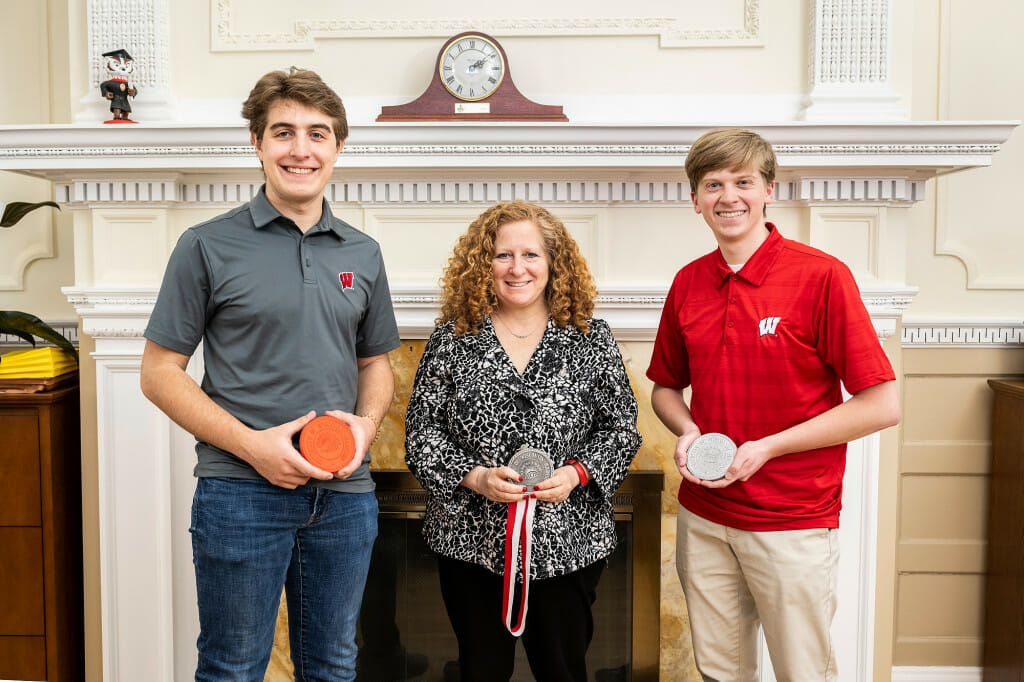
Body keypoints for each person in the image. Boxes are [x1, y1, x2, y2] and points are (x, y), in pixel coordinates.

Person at [140, 67, 400, 681]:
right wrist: (254, 449)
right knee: (233, 669)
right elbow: (159, 373)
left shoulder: (363, 253)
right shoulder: (206, 246)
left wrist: (365, 429)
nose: (301, 149)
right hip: (239, 493)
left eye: (318, 133)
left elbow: (376, 365)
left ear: (338, 147)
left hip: (344, 497)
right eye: (283, 132)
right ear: (257, 143)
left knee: (334, 666)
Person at [647, 128, 901, 681]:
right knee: (721, 673)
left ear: (769, 190)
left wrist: (767, 449)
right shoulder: (688, 283)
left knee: (802, 674)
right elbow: (665, 387)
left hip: (793, 521)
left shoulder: (821, 276)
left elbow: (882, 404)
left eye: (743, 181)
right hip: (706, 517)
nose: (728, 196)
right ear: (694, 200)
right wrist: (688, 430)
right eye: (713, 184)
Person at [404, 200, 641, 682]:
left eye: (531, 255)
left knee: (562, 670)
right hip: (470, 542)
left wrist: (576, 474)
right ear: (481, 264)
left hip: (568, 541)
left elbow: (622, 429)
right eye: (501, 255)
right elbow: (421, 433)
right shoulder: (451, 339)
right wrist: (475, 476)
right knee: (480, 670)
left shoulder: (591, 338)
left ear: (554, 263)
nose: (517, 268)